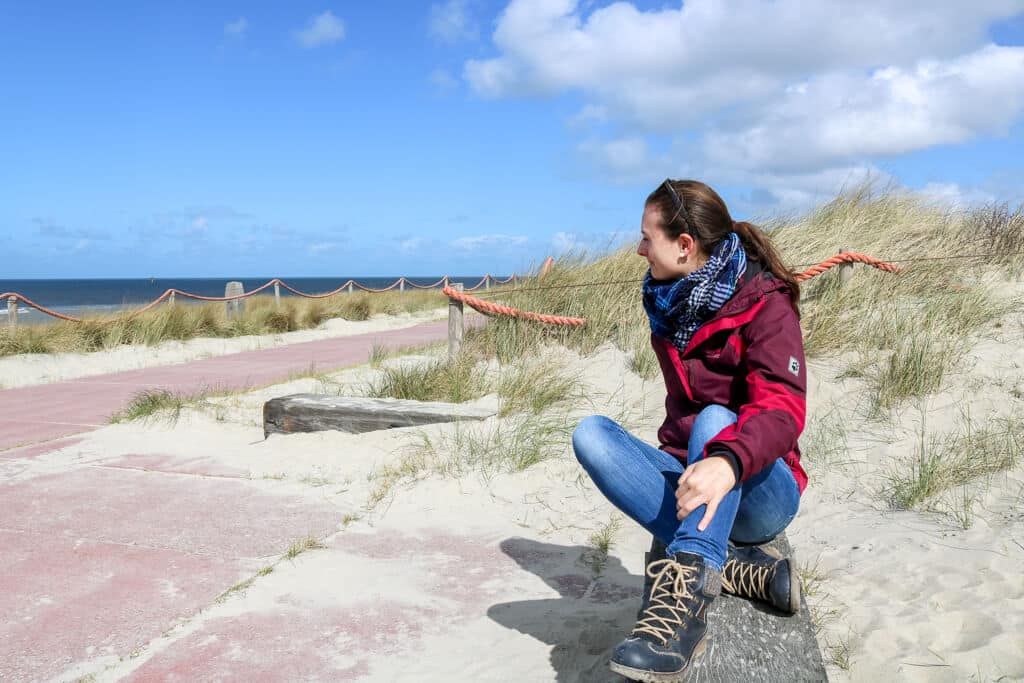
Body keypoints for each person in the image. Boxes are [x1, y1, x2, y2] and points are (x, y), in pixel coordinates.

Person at [572, 179, 808, 682]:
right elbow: (678, 415)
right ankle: (741, 570)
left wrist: (726, 461)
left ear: (684, 246)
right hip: (698, 475)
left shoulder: (767, 303)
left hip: (761, 485)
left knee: (716, 419)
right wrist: (687, 468)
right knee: (590, 434)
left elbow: (783, 412)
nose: (638, 249)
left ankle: (686, 613)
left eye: (646, 237)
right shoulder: (669, 303)